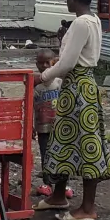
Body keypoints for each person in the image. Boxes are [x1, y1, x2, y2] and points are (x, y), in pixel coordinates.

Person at [35, 0, 110, 220]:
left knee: (87, 144)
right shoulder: (94, 20)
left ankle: (87, 208)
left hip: (78, 87)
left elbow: (67, 63)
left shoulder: (80, 23)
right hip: (82, 85)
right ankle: (58, 195)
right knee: (64, 140)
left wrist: (43, 77)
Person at [33, 46, 63, 187]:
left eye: (47, 62)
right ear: (36, 64)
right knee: (45, 154)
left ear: (54, 63)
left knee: (61, 154)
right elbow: (30, 106)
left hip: (59, 127)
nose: (44, 66)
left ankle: (63, 184)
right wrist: (31, 126)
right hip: (42, 128)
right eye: (41, 63)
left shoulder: (59, 82)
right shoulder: (34, 85)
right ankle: (47, 184)